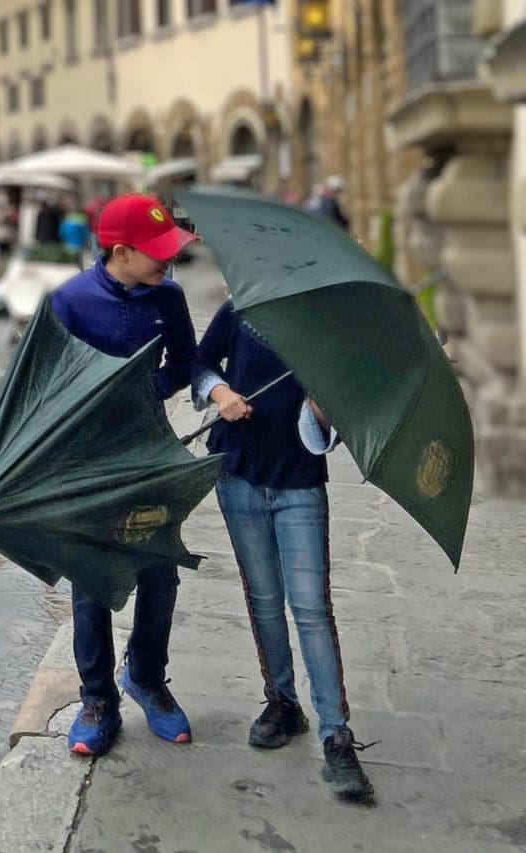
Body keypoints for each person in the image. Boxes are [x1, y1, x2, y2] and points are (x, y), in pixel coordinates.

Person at [195, 300, 375, 803]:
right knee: (265, 599)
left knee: (312, 610)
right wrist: (222, 391)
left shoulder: (331, 326)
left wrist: (323, 409)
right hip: (237, 473)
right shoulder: (242, 309)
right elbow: (200, 362)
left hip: (299, 483)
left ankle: (336, 736)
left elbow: (341, 413)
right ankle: (283, 702)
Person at [49, 193, 209, 757]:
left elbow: (185, 364)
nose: (169, 259)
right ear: (120, 252)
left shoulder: (169, 296)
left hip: (149, 452)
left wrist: (150, 392)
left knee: (160, 569)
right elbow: (40, 386)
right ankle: (97, 699)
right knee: (90, 579)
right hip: (86, 461)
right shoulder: (69, 301)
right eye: (157, 251)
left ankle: (145, 676)